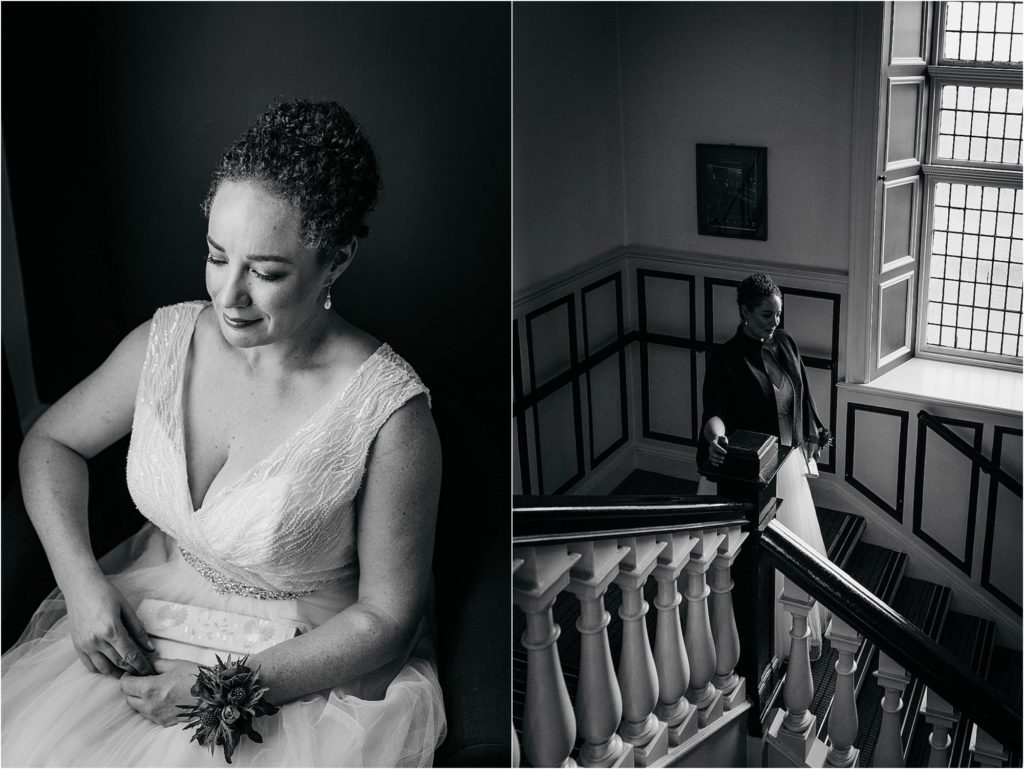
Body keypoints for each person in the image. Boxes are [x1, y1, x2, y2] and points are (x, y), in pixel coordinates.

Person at [2, 100, 445, 767]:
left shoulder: (390, 414)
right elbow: (49, 444)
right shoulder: (167, 340)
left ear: (337, 259)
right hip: (146, 613)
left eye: (265, 272)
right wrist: (81, 580)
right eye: (216, 256)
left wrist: (227, 687)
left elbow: (387, 618)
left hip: (295, 668)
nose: (228, 295)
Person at [696, 272, 832, 660]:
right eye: (766, 315)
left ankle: (792, 635)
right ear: (744, 312)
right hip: (751, 471)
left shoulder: (786, 343)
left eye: (778, 314)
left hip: (786, 463)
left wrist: (813, 432)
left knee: (793, 555)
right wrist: (715, 438)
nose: (774, 323)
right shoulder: (726, 358)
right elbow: (715, 413)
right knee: (745, 563)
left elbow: (801, 392)